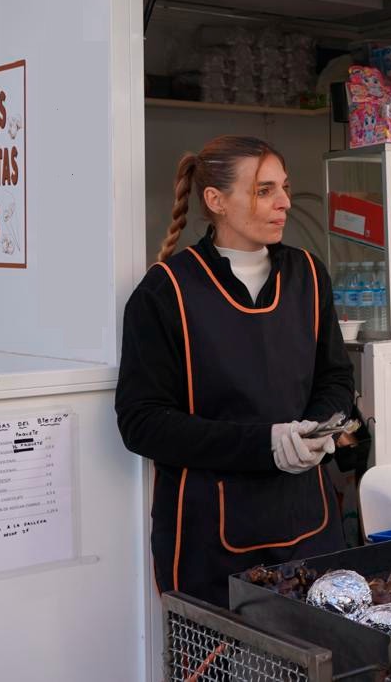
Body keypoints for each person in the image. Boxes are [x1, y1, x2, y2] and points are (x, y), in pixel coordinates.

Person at [116, 135, 365, 606]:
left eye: (284, 188)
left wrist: (315, 429)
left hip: (309, 523)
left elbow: (335, 378)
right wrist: (265, 444)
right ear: (216, 201)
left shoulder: (309, 276)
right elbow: (141, 423)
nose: (285, 203)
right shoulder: (165, 292)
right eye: (264, 190)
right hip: (208, 542)